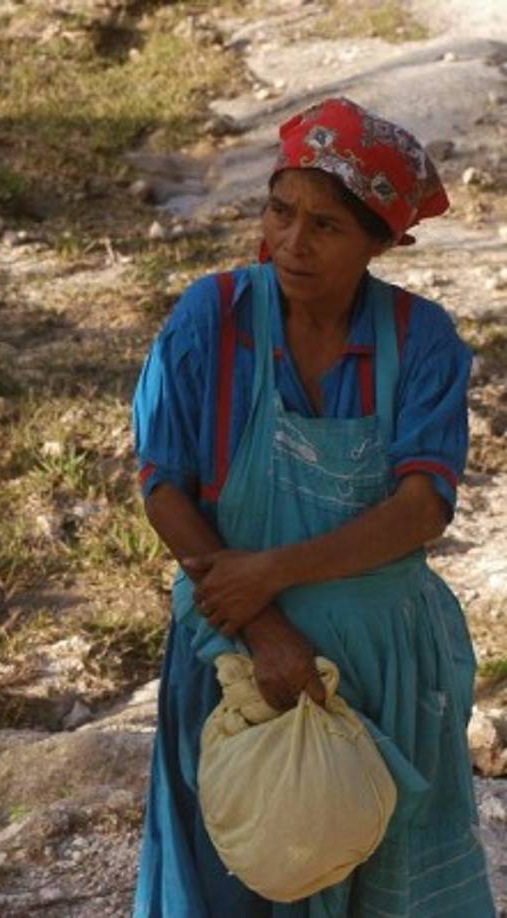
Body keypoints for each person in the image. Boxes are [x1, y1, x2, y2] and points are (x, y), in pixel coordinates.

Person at [132, 97, 494, 916]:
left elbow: (422, 507)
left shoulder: (421, 339)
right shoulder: (211, 318)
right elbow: (163, 483)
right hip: (233, 656)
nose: (291, 242)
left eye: (326, 226)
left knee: (381, 879)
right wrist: (263, 625)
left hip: (383, 667)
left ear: (380, 242)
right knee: (236, 875)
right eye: (280, 210)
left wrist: (272, 571)